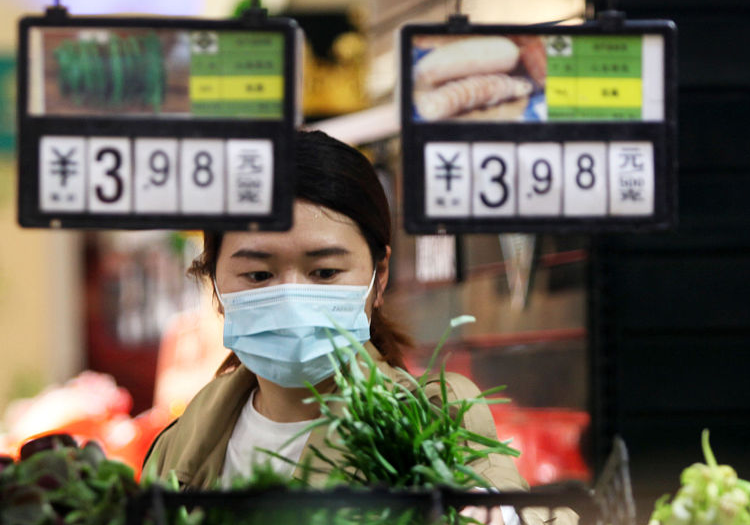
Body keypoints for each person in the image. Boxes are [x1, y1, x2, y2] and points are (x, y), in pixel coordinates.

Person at [143, 128, 528, 498]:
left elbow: (527, 522)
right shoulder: (182, 443)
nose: (291, 299)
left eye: (325, 272)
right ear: (214, 283)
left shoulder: (431, 416)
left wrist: (492, 515)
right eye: (259, 275)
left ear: (380, 276)